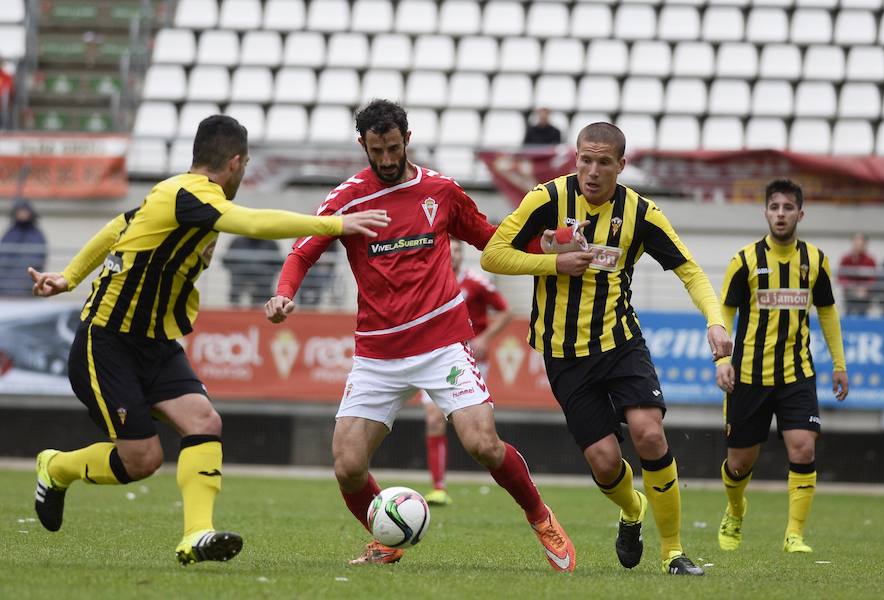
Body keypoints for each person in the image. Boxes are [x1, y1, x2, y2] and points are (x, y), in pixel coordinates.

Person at [27, 115, 389, 566]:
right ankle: (56, 467)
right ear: (235, 162)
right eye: (245, 165)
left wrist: (69, 275)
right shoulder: (193, 195)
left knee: (204, 421)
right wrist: (336, 225)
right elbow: (252, 223)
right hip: (107, 342)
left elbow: (118, 226)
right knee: (141, 459)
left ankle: (196, 534)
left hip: (156, 344)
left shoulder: (174, 193)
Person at [265, 99, 576, 571]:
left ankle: (541, 517)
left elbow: (488, 237)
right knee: (348, 466)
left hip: (441, 343)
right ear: (362, 146)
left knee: (482, 443)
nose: (386, 160)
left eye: (393, 148)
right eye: (376, 151)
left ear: (406, 140)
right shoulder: (346, 198)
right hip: (378, 352)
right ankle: (385, 539)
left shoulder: (441, 190)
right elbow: (303, 251)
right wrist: (284, 293)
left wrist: (541, 245)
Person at [481, 122, 732, 576]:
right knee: (604, 461)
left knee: (649, 433)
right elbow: (492, 255)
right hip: (563, 354)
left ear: (621, 164)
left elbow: (690, 271)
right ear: (574, 158)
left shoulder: (641, 213)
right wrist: (554, 262)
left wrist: (715, 321)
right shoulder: (546, 199)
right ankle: (632, 509)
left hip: (620, 343)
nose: (592, 171)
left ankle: (673, 553)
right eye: (585, 160)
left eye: (603, 162)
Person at [715, 178, 849, 554]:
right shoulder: (744, 261)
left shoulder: (816, 261)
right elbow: (724, 311)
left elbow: (828, 313)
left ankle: (794, 535)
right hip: (748, 376)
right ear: (766, 212)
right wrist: (723, 359)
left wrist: (839, 365)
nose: (780, 214)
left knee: (803, 449)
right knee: (739, 464)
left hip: (797, 374)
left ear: (800, 214)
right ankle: (736, 510)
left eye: (788, 208)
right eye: (774, 207)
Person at [421, 238, 512, 506]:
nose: (453, 255)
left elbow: (506, 312)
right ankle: (439, 487)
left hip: (470, 361)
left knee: (478, 431)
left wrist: (485, 338)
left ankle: (505, 477)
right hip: (435, 360)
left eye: (458, 250)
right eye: (449, 250)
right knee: (433, 419)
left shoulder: (475, 282)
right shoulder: (428, 281)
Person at [0, 199, 47, 296]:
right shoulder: (10, 233)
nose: (22, 214)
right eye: (19, 211)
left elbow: (38, 258)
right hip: (6, 285)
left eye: (24, 211)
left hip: (26, 283)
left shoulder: (36, 234)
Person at [222, 236, 283, 307]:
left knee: (263, 300)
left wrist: (268, 272)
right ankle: (235, 307)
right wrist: (237, 269)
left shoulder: (271, 243)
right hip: (240, 277)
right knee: (235, 296)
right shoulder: (237, 241)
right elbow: (226, 260)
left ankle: (262, 309)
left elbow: (279, 263)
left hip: (263, 279)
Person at [837, 233, 877, 316]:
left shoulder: (870, 260)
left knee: (862, 313)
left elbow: (873, 278)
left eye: (860, 244)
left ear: (865, 245)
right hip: (849, 292)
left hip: (864, 294)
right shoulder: (846, 259)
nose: (858, 246)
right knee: (848, 313)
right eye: (856, 243)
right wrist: (851, 287)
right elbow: (840, 277)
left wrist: (864, 288)